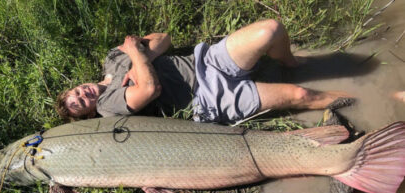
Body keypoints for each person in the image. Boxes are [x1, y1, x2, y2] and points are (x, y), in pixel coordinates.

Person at [55, 19, 354, 123]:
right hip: (208, 98)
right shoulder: (109, 107)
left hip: (207, 61)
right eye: (81, 104)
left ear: (77, 85)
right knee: (301, 95)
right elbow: (149, 90)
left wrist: (137, 61)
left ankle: (291, 63)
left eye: (76, 92)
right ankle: (363, 100)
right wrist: (135, 50)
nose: (83, 95)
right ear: (89, 113)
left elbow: (164, 38)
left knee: (270, 31)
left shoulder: (112, 59)